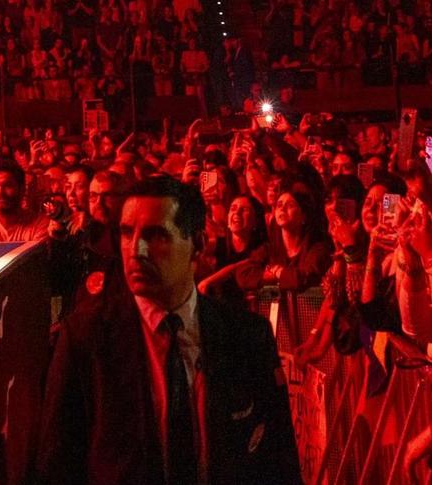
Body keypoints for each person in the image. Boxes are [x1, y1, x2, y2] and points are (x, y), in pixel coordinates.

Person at [33, 175, 299, 484]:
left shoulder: (246, 335)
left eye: (156, 235)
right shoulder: (86, 336)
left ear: (197, 243)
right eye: (126, 233)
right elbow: (57, 461)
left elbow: (279, 457)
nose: (136, 250)